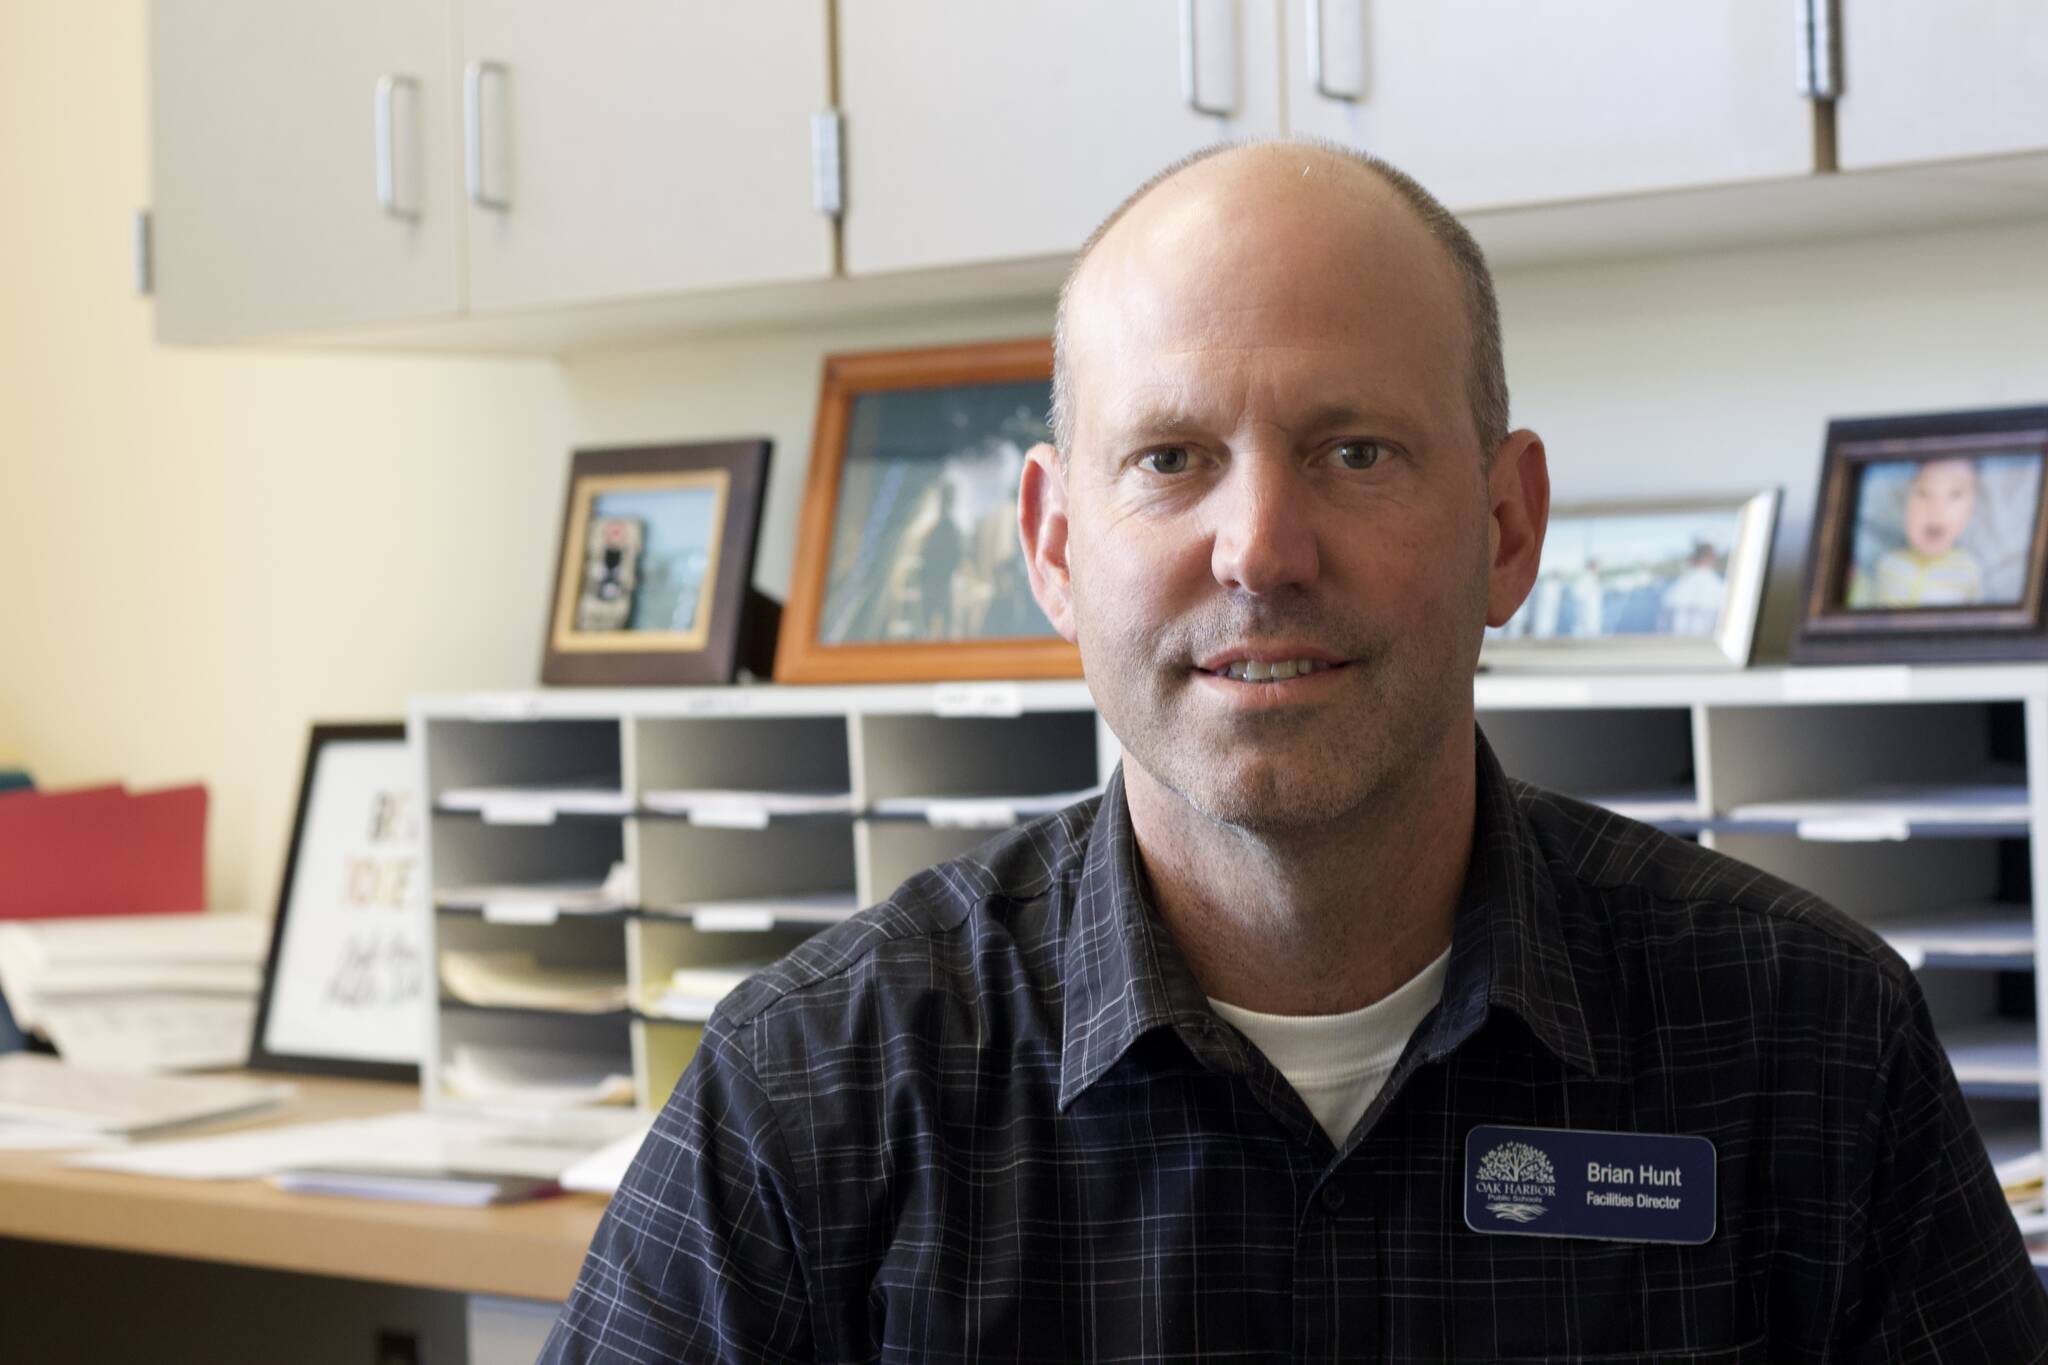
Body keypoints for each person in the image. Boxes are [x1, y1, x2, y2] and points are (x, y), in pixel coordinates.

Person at [538, 142, 2048, 1361]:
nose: (1261, 548)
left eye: (1356, 452)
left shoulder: (1815, 1048)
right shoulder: (815, 1091)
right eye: (1172, 458)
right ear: (1057, 548)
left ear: (1509, 529)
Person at [1850, 457, 1986, 608]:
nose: (1936, 509)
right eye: (1923, 493)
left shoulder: (1968, 571)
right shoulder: (1886, 564)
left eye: (1954, 495)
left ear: (1969, 512)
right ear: (1905, 504)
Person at [1660, 540, 1727, 636]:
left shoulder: (1674, 590)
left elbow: (1662, 628)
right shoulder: (1721, 589)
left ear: (1692, 558)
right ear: (1712, 558)